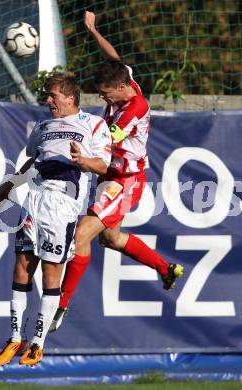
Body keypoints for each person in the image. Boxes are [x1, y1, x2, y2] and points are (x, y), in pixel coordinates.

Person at [49, 11, 184, 332]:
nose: (102, 96)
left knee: (81, 234)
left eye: (106, 92)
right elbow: (115, 58)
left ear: (122, 89)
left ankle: (59, 305)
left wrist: (78, 134)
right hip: (110, 177)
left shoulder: (135, 109)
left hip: (124, 182)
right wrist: (94, 31)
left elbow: (110, 137)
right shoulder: (127, 81)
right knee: (110, 239)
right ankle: (166, 269)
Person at [0, 72, 112, 366]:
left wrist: (82, 160)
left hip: (63, 204)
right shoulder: (44, 127)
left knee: (50, 273)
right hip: (34, 198)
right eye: (48, 95)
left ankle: (37, 343)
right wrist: (10, 185)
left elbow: (103, 164)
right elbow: (34, 159)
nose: (48, 101)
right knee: (21, 265)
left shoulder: (93, 125)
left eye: (53, 96)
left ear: (70, 97)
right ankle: (15, 337)